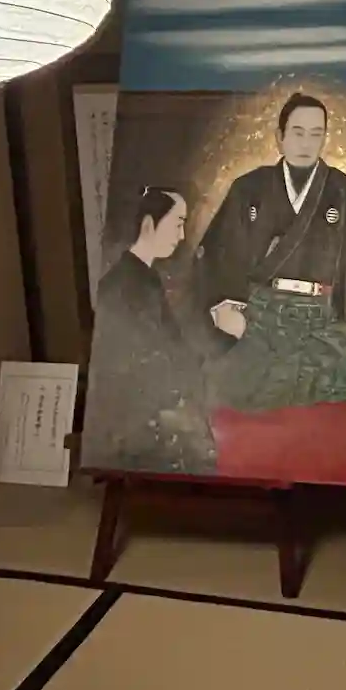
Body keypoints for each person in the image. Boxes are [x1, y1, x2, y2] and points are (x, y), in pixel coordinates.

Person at [197, 92, 346, 412]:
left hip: (323, 319)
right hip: (260, 317)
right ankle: (289, 375)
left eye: (316, 134)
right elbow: (221, 256)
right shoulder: (248, 189)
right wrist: (225, 308)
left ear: (325, 138)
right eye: (298, 133)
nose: (306, 143)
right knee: (225, 361)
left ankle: (276, 377)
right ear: (280, 137)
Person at [82, 186, 217, 474]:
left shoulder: (145, 279)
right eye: (177, 224)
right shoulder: (124, 284)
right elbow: (146, 357)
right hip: (140, 421)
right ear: (148, 224)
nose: (181, 236)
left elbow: (172, 344)